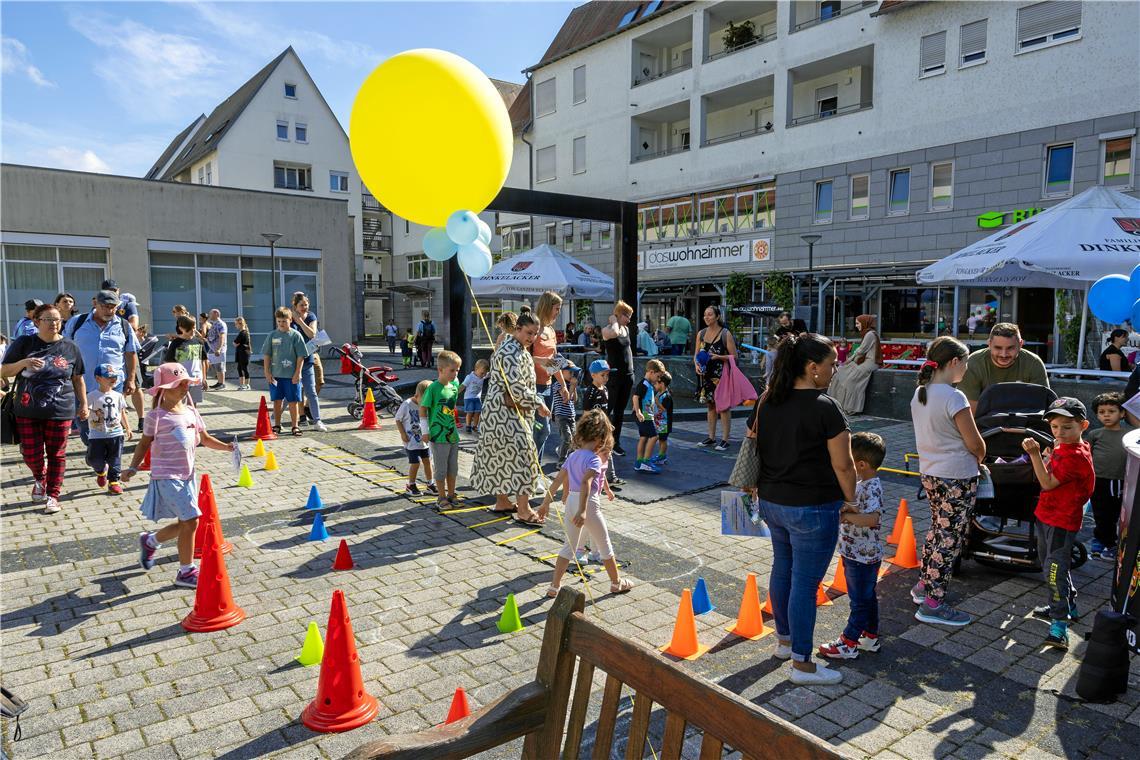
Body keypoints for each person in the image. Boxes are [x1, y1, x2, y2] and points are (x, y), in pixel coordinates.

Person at [751, 333, 855, 685]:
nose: (835, 369)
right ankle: (802, 664)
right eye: (831, 364)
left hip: (772, 502)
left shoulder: (768, 400)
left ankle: (784, 643)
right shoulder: (825, 407)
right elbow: (844, 465)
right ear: (812, 368)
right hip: (812, 507)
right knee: (805, 583)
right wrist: (852, 499)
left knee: (783, 570)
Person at [125, 362, 235, 589]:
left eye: (186, 383)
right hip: (166, 476)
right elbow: (144, 443)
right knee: (191, 520)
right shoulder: (156, 416)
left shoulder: (192, 412)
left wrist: (227, 448)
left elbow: (204, 439)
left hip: (187, 476)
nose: (185, 387)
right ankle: (186, 571)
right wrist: (133, 468)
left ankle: (151, 540)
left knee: (186, 523)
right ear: (164, 388)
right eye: (179, 384)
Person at [910, 337, 986, 627]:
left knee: (937, 530)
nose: (966, 369)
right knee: (950, 538)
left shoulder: (920, 393)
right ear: (954, 362)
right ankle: (934, 602)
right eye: (965, 363)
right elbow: (974, 442)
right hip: (957, 474)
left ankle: (923, 586)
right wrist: (982, 455)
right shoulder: (955, 397)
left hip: (930, 472)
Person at [1023, 397, 1096, 650]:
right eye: (1055, 427)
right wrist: (1049, 453)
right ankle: (1069, 606)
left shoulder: (1074, 456)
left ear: (1083, 425)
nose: (1060, 433)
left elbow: (1046, 482)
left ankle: (1059, 625)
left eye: (1067, 427)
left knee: (1053, 572)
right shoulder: (1067, 447)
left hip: (1061, 521)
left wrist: (1033, 454)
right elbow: (1052, 467)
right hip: (1048, 515)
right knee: (1052, 565)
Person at [1, 303, 88, 514]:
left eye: (57, 319)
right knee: (31, 453)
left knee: (57, 454)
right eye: (48, 320)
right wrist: (23, 362)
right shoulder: (24, 343)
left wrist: (83, 403)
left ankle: (53, 496)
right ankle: (40, 478)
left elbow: (78, 379)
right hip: (27, 409)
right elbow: (3, 370)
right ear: (37, 322)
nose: (54, 324)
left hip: (60, 410)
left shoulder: (70, 347)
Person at [539, 408, 634, 598]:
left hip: (571, 502)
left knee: (569, 546)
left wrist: (545, 503)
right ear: (601, 438)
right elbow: (586, 482)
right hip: (588, 503)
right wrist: (583, 511)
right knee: (604, 543)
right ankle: (616, 583)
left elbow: (557, 481)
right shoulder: (594, 459)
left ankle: (554, 586)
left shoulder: (572, 456)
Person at [470, 310, 550, 525]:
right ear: (517, 329)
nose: (531, 337)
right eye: (528, 332)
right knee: (525, 455)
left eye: (534, 334)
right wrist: (538, 402)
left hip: (504, 412)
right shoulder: (510, 350)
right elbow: (516, 386)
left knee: (502, 456)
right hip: (504, 412)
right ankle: (523, 510)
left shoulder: (518, 348)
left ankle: (503, 501)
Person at [819, 432, 886, 660]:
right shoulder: (861, 483)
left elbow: (873, 519)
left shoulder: (871, 487)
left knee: (859, 601)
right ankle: (870, 637)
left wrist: (847, 518)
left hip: (863, 557)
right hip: (854, 552)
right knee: (867, 598)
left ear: (861, 464)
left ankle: (848, 642)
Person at [64, 290, 139, 443]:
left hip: (113, 385)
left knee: (112, 423)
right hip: (82, 384)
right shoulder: (77, 322)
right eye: (105, 306)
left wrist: (131, 380)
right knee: (85, 425)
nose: (110, 310)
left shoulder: (123, 325)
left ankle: (107, 457)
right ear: (95, 304)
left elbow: (131, 353)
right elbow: (64, 348)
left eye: (113, 307)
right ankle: (94, 451)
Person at [958, 322, 1049, 414]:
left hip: (1024, 422)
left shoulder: (1033, 363)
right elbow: (970, 412)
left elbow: (1042, 405)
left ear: (1020, 344)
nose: (1004, 354)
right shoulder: (973, 363)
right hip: (985, 423)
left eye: (1010, 348)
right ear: (989, 343)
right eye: (998, 348)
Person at [1087, 392, 1127, 560]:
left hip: (1120, 480)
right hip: (1098, 480)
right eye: (1102, 412)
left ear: (1122, 413)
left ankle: (1111, 544)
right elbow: (1087, 455)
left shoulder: (1130, 433)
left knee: (1114, 514)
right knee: (1100, 513)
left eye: (1111, 411)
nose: (1106, 415)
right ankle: (1100, 542)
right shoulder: (1095, 434)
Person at [529, 292, 567, 469]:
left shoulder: (551, 331)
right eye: (557, 308)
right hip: (533, 385)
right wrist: (540, 360)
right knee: (543, 429)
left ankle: (534, 470)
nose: (558, 312)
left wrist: (563, 385)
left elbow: (553, 360)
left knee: (541, 431)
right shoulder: (533, 330)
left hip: (548, 385)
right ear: (547, 307)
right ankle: (531, 470)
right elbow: (522, 357)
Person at [421, 350, 462, 509]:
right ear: (440, 370)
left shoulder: (454, 386)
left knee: (453, 468)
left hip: (453, 436)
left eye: (457, 370)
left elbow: (458, 382)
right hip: (438, 436)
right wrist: (425, 430)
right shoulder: (433, 388)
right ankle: (441, 497)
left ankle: (451, 494)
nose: (455, 373)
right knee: (441, 469)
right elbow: (423, 409)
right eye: (452, 370)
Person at [694, 305, 737, 451]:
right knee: (710, 405)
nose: (706, 317)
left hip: (721, 376)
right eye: (705, 314)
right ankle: (711, 437)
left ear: (717, 317)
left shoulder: (725, 334)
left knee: (723, 407)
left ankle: (725, 439)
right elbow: (695, 354)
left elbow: (734, 357)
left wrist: (719, 356)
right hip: (706, 375)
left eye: (710, 314)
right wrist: (696, 365)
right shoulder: (701, 333)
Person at [85, 363, 133, 495]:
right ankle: (101, 471)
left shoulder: (118, 396)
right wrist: (83, 413)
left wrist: (128, 428)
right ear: (98, 378)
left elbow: (122, 412)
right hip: (97, 434)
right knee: (94, 459)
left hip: (116, 433)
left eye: (114, 377)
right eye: (108, 377)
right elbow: (84, 411)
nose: (113, 379)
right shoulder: (92, 396)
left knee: (115, 458)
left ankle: (114, 482)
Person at [261, 307, 307, 436]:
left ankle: (295, 426)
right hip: (276, 375)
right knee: (277, 400)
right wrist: (267, 372)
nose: (281, 324)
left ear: (290, 320)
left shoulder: (295, 335)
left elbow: (300, 356)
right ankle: (277, 425)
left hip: (292, 376)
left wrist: (297, 373)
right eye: (279, 321)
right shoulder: (272, 335)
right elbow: (267, 355)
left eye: (284, 321)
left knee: (293, 401)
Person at [583, 358, 624, 490]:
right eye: (602, 375)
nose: (606, 378)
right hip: (594, 428)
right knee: (593, 452)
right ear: (593, 375)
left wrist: (607, 424)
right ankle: (587, 474)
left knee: (607, 450)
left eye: (607, 375)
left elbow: (605, 410)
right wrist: (587, 430)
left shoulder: (605, 389)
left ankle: (610, 477)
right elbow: (586, 413)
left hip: (604, 427)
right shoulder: (591, 392)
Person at [828, 314, 881, 416]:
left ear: (864, 323)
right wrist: (849, 361)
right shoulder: (867, 333)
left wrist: (849, 361)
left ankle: (850, 408)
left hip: (870, 363)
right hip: (863, 362)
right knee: (839, 374)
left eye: (857, 323)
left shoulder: (870, 334)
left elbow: (861, 350)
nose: (856, 325)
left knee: (849, 381)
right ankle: (838, 405)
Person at [601, 301, 635, 456]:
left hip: (627, 375)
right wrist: (614, 321)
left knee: (620, 411)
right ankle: (603, 440)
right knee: (608, 409)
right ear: (619, 315)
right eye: (627, 316)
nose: (629, 320)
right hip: (614, 376)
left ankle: (616, 442)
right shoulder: (607, 330)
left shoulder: (626, 329)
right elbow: (614, 334)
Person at [290, 293, 327, 432]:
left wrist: (300, 322)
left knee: (311, 390)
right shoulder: (289, 316)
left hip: (308, 358)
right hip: (293, 360)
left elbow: (312, 334)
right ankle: (275, 418)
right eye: (301, 305)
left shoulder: (311, 316)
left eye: (306, 305)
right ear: (295, 306)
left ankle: (317, 421)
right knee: (292, 392)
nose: (304, 307)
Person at [395, 380, 435, 495]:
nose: (425, 404)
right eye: (424, 401)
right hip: (411, 441)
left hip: (424, 441)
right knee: (415, 463)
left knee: (428, 461)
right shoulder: (407, 404)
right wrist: (402, 433)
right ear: (417, 395)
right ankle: (411, 484)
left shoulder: (427, 405)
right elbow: (398, 419)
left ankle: (430, 483)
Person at [163, 315, 206, 404]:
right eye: (189, 329)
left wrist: (204, 378)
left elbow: (203, 361)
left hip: (196, 379)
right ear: (181, 328)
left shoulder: (199, 342)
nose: (193, 330)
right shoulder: (175, 343)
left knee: (193, 405)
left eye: (194, 327)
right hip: (180, 380)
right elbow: (168, 363)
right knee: (179, 405)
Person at [632, 358, 664, 473]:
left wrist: (654, 413)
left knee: (644, 437)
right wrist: (638, 411)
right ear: (651, 372)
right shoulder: (644, 384)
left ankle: (639, 462)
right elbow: (635, 397)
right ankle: (646, 461)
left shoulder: (648, 384)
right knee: (654, 436)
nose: (658, 379)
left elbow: (648, 401)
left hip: (646, 415)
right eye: (658, 376)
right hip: (643, 415)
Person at [551, 364, 579, 467]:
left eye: (573, 372)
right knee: (567, 438)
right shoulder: (559, 384)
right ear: (561, 373)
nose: (572, 374)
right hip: (561, 416)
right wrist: (571, 386)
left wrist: (574, 388)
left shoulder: (569, 385)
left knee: (573, 440)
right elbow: (565, 399)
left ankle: (566, 454)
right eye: (570, 372)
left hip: (571, 416)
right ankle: (561, 460)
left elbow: (574, 400)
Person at [459, 358, 490, 434]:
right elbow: (463, 386)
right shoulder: (469, 377)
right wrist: (455, 393)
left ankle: (475, 426)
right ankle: (468, 425)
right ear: (476, 369)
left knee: (478, 412)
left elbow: (491, 373)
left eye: (485, 374)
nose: (483, 375)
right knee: (470, 412)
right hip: (469, 398)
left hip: (477, 398)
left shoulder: (483, 376)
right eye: (482, 373)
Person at [651, 372, 673, 466]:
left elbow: (664, 409)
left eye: (656, 383)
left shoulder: (666, 396)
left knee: (663, 440)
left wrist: (657, 402)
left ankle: (662, 456)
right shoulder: (659, 393)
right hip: (659, 422)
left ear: (662, 384)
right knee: (660, 439)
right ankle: (661, 455)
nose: (654, 385)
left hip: (665, 422)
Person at [205, 309, 228, 390]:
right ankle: (219, 382)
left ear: (216, 314)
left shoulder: (221, 324)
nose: (209, 315)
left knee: (219, 366)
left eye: (210, 314)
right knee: (214, 365)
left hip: (218, 349)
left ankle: (222, 383)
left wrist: (219, 348)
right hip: (212, 349)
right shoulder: (214, 324)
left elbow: (222, 336)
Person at [233, 316, 252, 391]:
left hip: (244, 353)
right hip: (240, 352)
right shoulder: (242, 332)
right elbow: (236, 343)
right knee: (239, 368)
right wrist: (236, 343)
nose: (235, 326)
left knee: (244, 368)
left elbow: (235, 343)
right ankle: (242, 384)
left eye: (236, 324)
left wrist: (236, 343)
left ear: (240, 324)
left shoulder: (243, 333)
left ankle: (247, 385)